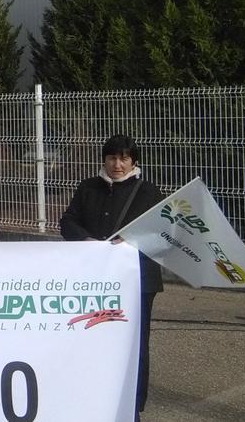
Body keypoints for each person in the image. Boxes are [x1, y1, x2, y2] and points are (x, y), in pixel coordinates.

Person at [60, 134, 163, 418]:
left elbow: (163, 234)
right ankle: (95, 395)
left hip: (138, 283)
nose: (117, 164)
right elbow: (67, 221)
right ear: (104, 160)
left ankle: (133, 403)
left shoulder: (149, 192)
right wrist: (86, 241)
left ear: (134, 162)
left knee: (135, 343)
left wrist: (132, 244)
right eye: (112, 158)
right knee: (94, 337)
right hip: (96, 280)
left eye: (124, 158)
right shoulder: (88, 188)